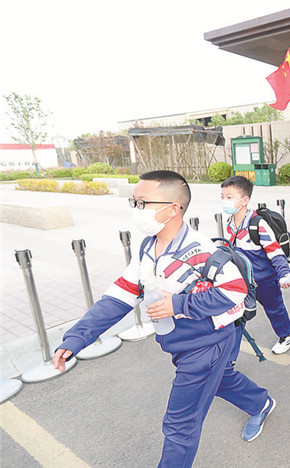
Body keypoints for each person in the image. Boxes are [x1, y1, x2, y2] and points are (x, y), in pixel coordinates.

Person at [53, 170, 275, 467]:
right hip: (182, 344)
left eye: (143, 203)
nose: (136, 209)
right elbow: (120, 296)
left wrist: (179, 303)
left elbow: (235, 289)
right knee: (219, 379)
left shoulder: (200, 250)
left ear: (173, 208)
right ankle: (261, 403)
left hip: (205, 346)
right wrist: (77, 337)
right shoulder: (147, 246)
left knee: (179, 425)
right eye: (135, 201)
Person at [221, 175, 290, 354]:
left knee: (275, 309)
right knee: (237, 316)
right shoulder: (230, 224)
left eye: (230, 197)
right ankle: (229, 358)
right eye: (223, 197)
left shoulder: (257, 224)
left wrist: (284, 273)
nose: (225, 201)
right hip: (241, 281)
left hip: (265, 280)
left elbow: (275, 250)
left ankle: (287, 335)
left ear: (245, 199)